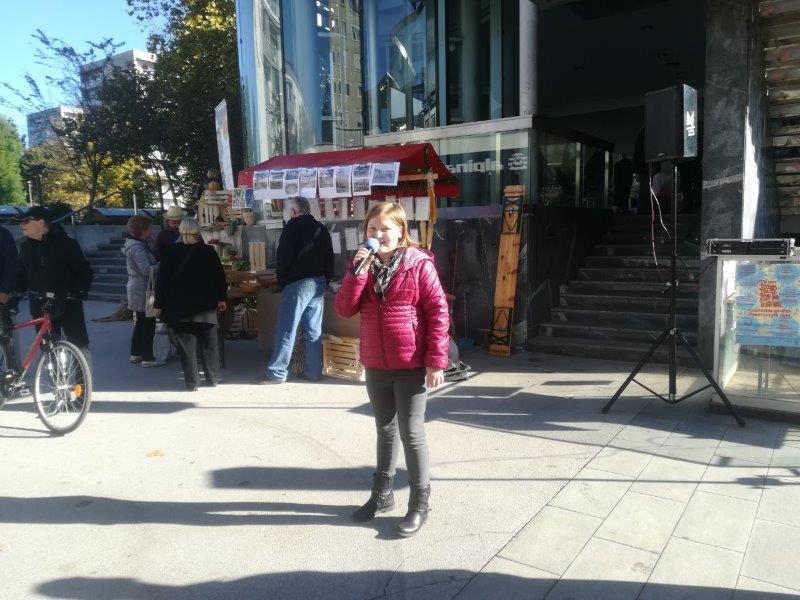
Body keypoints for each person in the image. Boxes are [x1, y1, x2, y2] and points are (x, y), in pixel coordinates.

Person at [335, 202, 449, 537]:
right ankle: (382, 495)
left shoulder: (418, 264)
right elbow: (344, 309)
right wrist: (356, 272)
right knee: (384, 430)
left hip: (411, 362)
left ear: (401, 232)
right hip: (376, 362)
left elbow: (438, 311)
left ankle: (419, 504)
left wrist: (436, 360)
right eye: (372, 229)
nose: (378, 234)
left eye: (385, 228)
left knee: (411, 433)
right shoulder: (363, 266)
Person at [257, 197, 334, 384]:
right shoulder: (321, 228)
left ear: (293, 211)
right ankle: (313, 372)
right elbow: (329, 257)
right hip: (318, 282)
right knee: (313, 329)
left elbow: (282, 257)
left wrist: (283, 282)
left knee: (287, 328)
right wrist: (326, 280)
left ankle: (277, 373)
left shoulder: (291, 227)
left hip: (298, 283)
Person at [154, 217, 227, 391]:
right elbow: (219, 277)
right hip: (206, 307)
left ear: (181, 231)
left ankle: (192, 382)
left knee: (187, 348)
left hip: (180, 308)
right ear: (198, 232)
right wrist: (222, 298)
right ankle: (213, 378)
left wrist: (159, 304)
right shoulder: (208, 252)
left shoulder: (170, 252)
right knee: (210, 344)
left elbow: (162, 281)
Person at [16, 206, 93, 358]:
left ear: (41, 222)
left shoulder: (67, 244)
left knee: (79, 345)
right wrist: (12, 296)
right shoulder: (25, 247)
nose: (21, 225)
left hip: (67, 302)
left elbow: (84, 271)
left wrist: (79, 292)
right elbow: (21, 276)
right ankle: (53, 372)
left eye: (26, 221)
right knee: (47, 348)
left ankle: (82, 374)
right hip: (39, 304)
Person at [123, 215, 160, 367]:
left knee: (140, 322)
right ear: (142, 229)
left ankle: (136, 353)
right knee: (148, 322)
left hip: (138, 287)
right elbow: (146, 270)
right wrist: (161, 265)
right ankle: (147, 357)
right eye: (148, 228)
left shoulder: (136, 244)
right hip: (142, 288)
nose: (150, 231)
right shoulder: (137, 247)